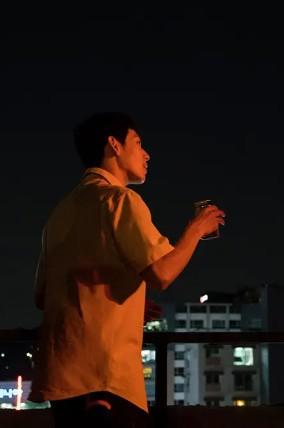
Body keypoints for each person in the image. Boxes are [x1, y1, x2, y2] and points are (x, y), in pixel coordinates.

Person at [29, 112, 225, 427]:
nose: (147, 154)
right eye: (138, 143)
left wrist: (123, 300)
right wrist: (196, 230)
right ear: (114, 145)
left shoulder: (60, 213)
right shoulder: (119, 200)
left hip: (62, 376)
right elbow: (162, 273)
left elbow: (43, 295)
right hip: (107, 377)